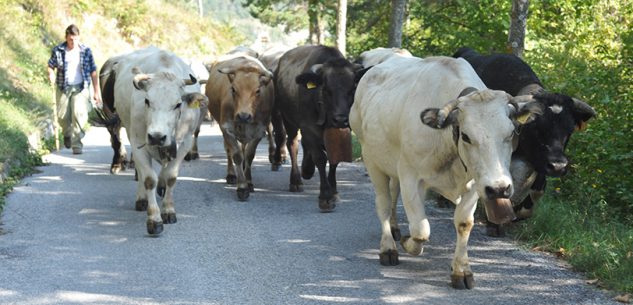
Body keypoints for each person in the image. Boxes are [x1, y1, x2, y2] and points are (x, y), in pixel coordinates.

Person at [47, 24, 102, 154]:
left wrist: (96, 91)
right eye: (71, 39)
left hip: (81, 87)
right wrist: (50, 73)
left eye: (76, 39)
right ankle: (67, 134)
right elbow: (50, 65)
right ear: (66, 38)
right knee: (62, 116)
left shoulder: (86, 50)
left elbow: (93, 71)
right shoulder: (58, 50)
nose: (73, 42)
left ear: (79, 37)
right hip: (63, 87)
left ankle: (77, 144)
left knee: (79, 114)